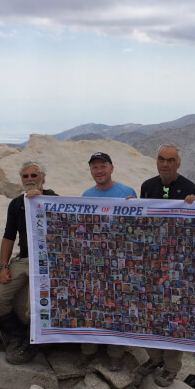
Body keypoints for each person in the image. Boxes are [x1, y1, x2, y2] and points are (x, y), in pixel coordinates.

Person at [137, 143, 195, 387]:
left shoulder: (190, 188)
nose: (165, 164)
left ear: (178, 163)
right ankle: (154, 358)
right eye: (161, 159)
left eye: (170, 160)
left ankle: (172, 367)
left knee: (174, 316)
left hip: (178, 265)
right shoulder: (147, 186)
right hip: (152, 263)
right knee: (149, 313)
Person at [0, 161, 58, 364]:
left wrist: (42, 201)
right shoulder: (16, 204)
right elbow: (9, 237)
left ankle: (33, 342)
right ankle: (17, 334)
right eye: (25, 176)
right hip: (25, 259)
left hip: (47, 261)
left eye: (34, 176)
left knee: (34, 305)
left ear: (43, 178)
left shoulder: (53, 198)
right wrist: (3, 266)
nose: (29, 180)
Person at [80, 151, 136, 371]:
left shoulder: (127, 192)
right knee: (92, 305)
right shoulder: (86, 195)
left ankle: (115, 353)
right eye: (94, 167)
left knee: (118, 307)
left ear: (111, 168)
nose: (99, 171)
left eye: (103, 166)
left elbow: (137, 225)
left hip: (120, 261)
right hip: (95, 260)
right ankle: (88, 350)